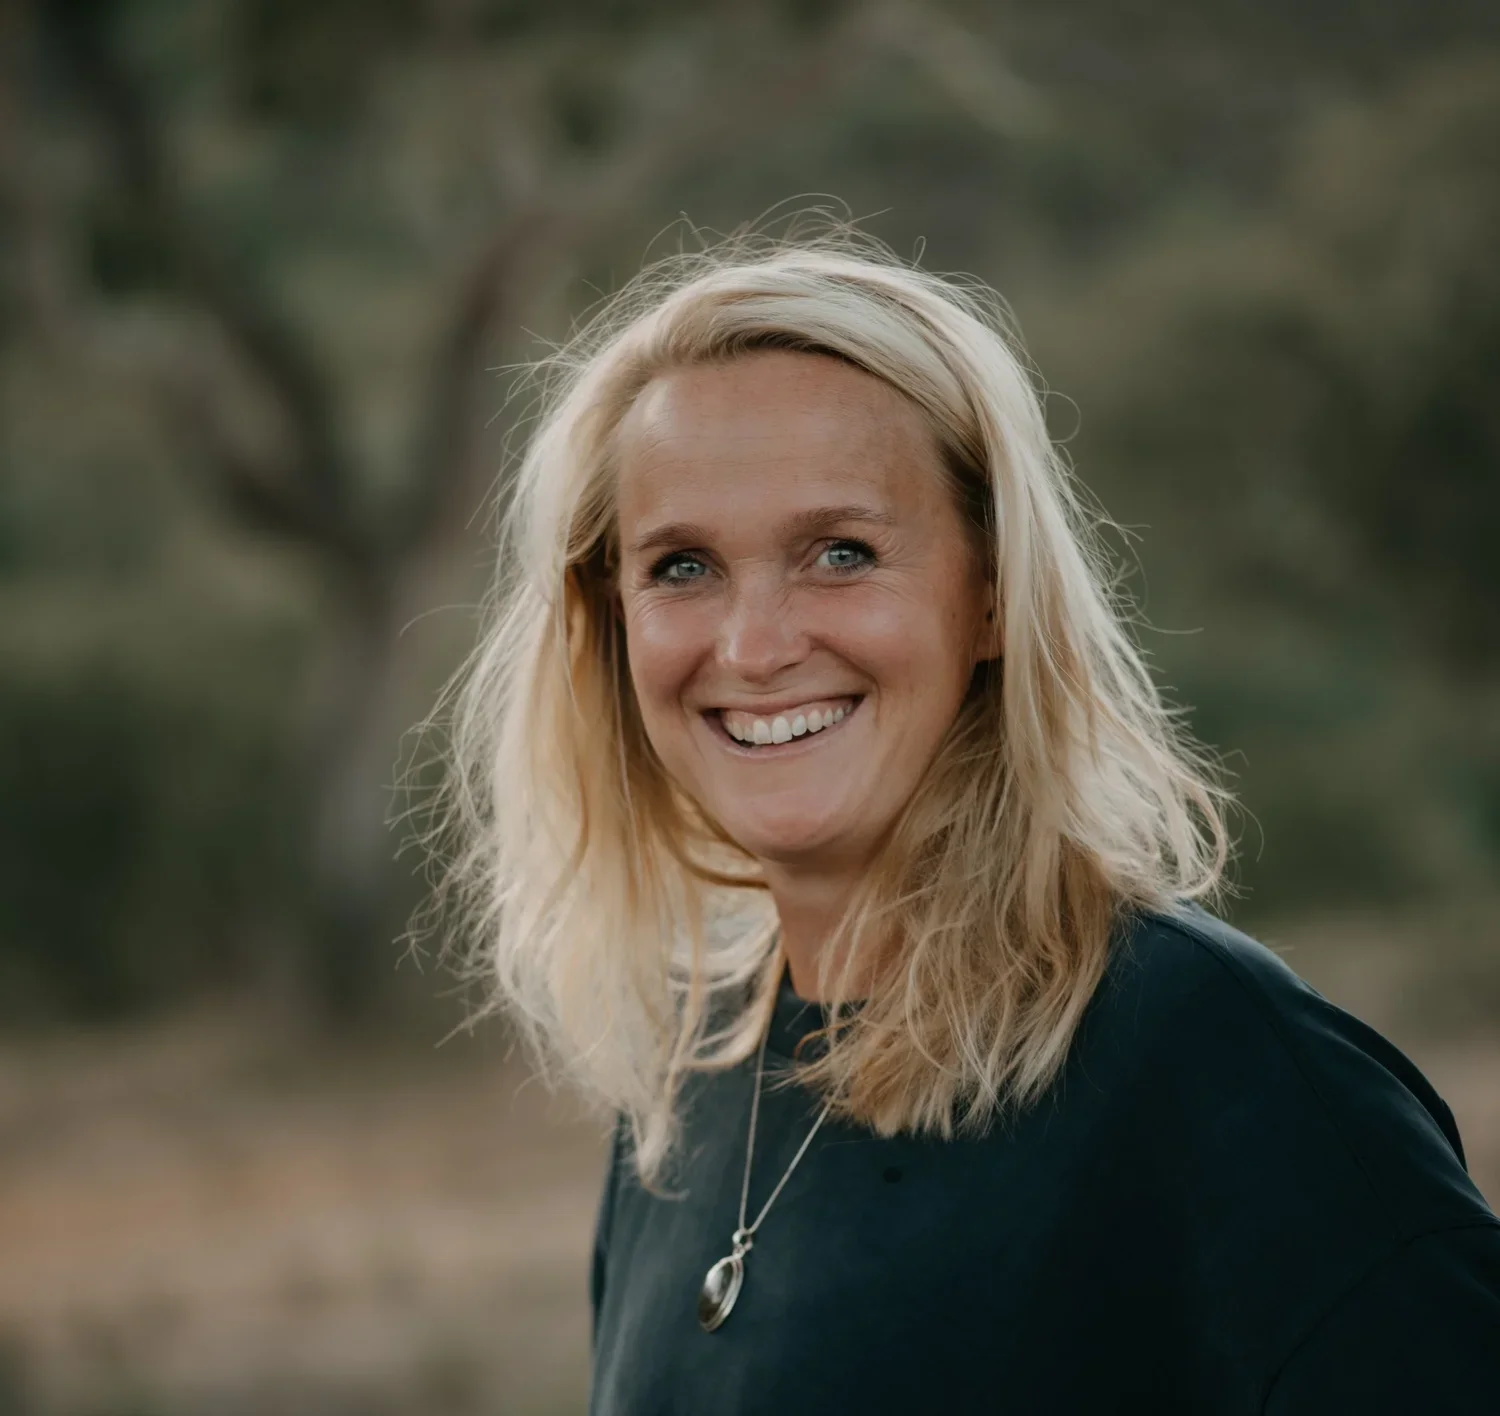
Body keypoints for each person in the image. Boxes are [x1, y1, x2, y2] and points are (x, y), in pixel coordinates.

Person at [428, 229, 1500, 1413]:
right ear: (610, 621)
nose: (753, 646)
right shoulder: (689, 1095)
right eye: (681, 568)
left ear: (992, 593)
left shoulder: (1216, 1065)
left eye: (841, 553)